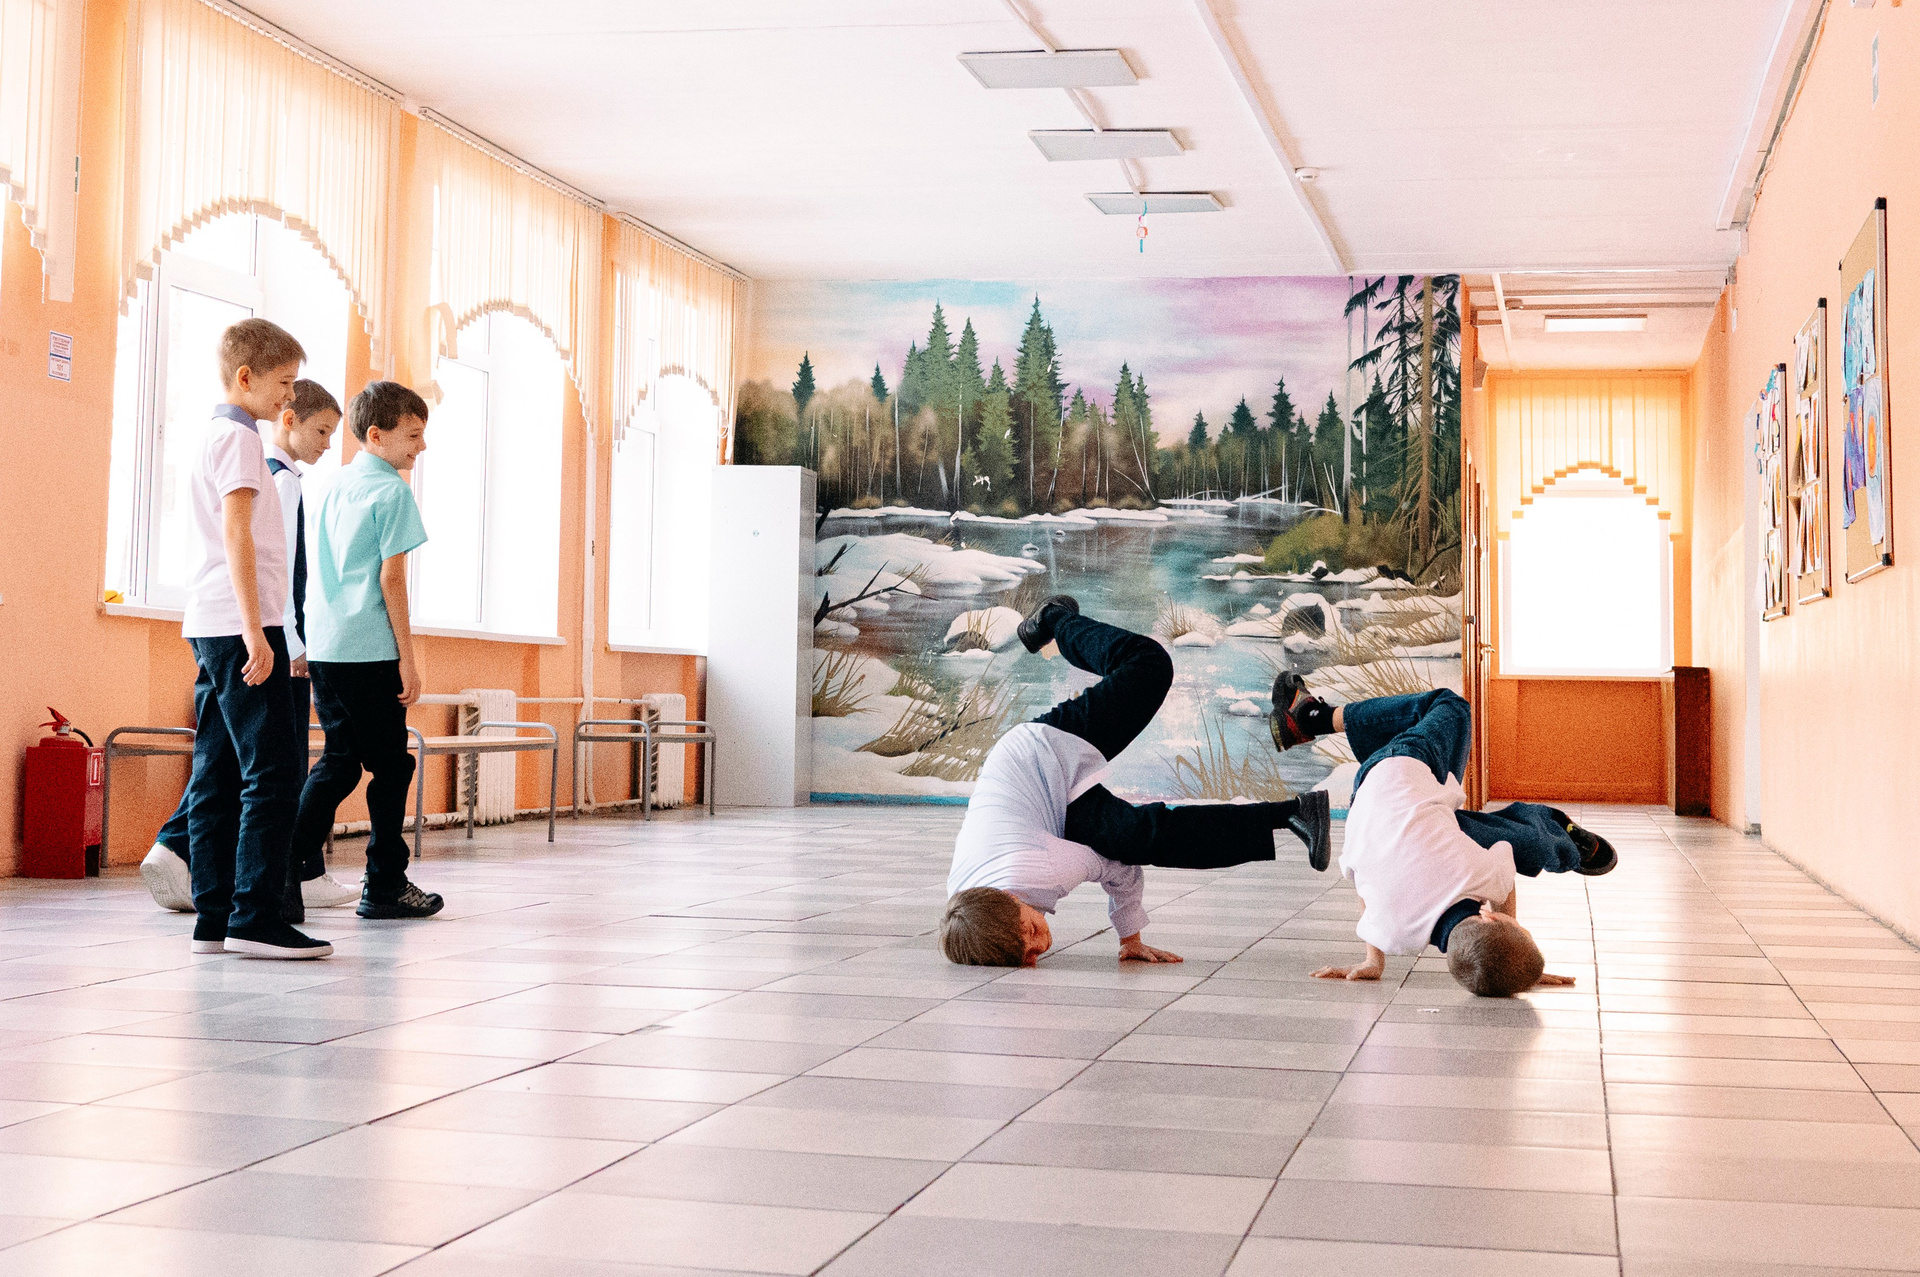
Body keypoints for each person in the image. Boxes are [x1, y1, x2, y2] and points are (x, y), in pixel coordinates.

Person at [941, 597, 1330, 967]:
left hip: (1039, 752)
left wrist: (1129, 933)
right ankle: (1296, 813)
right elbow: (974, 935)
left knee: (1150, 665)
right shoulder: (971, 922)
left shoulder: (1044, 871)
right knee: (1148, 836)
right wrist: (1131, 942)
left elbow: (1118, 867)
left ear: (1008, 901)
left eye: (1028, 932)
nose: (1040, 944)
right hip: (1048, 807)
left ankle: (1055, 619)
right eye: (1028, 955)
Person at [139, 379, 359, 918]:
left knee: (225, 756)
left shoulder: (245, 453)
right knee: (271, 768)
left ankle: (204, 884)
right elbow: (272, 566)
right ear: (289, 420)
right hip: (261, 632)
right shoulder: (270, 471)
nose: (327, 444)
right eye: (321, 431)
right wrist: (290, 642)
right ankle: (268, 895)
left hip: (234, 625)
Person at [1270, 678, 1613, 996]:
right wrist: (1373, 963)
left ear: (1490, 916)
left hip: (1401, 766)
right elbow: (1366, 894)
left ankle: (1312, 718)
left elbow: (1505, 880)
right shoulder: (1394, 935)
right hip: (1366, 799)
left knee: (1451, 706)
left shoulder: (1475, 874)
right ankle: (1554, 836)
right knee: (1460, 830)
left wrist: (1512, 931)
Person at [175, 318, 333, 960]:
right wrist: (257, 632)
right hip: (241, 624)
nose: (290, 396)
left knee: (217, 771)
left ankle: (213, 918)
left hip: (210, 622)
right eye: (285, 383)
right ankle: (256, 917)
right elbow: (238, 534)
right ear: (246, 378)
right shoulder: (241, 440)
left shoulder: (216, 434)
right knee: (274, 771)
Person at [288, 381, 444, 920]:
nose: (421, 446)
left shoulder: (331, 485)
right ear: (376, 435)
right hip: (370, 650)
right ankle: (384, 884)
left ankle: (277, 868)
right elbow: (392, 580)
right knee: (392, 767)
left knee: (339, 761)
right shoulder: (393, 492)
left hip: (326, 647)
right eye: (413, 436)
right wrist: (408, 659)